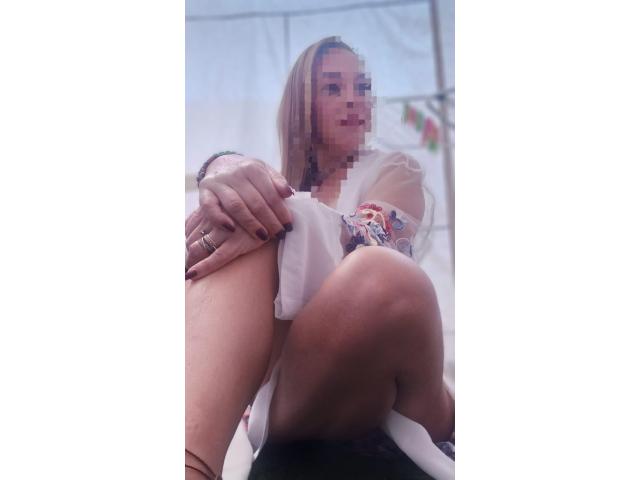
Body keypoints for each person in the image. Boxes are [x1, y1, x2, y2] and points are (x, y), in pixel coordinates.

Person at [185, 37, 454, 480]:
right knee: (244, 215)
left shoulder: (394, 170)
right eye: (333, 87)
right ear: (301, 105)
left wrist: (230, 171)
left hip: (396, 368)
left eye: (361, 87)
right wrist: (224, 175)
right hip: (291, 389)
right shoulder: (282, 184)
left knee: (377, 272)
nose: (353, 98)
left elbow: (373, 241)